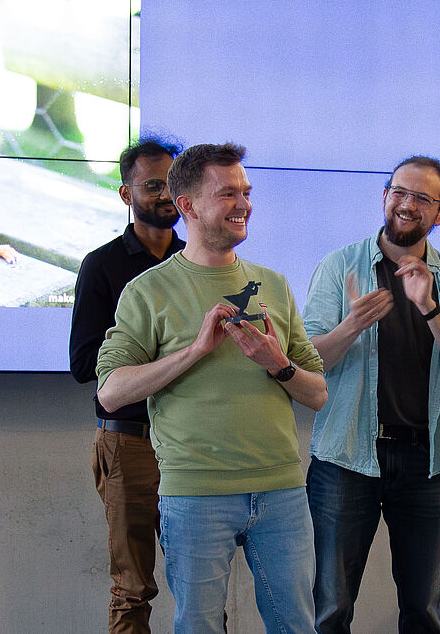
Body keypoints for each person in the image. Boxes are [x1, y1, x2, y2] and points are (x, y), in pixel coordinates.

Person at [95, 143, 328, 633]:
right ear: (188, 205)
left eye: (246, 191)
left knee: (297, 626)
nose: (244, 203)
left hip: (282, 490)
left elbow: (318, 394)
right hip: (195, 493)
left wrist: (278, 364)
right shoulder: (148, 291)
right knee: (199, 626)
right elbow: (111, 392)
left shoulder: (274, 284)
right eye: (227, 193)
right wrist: (195, 350)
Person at [303, 155, 440, 633]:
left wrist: (429, 308)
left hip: (427, 462)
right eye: (399, 192)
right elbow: (308, 362)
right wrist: (352, 324)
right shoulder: (338, 266)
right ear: (385, 197)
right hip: (346, 458)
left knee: (424, 610)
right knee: (330, 607)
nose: (407, 205)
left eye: (422, 198)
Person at [69, 137, 184, 633]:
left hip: (191, 442)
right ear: (126, 194)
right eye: (153, 186)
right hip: (129, 442)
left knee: (202, 583)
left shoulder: (198, 262)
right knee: (132, 588)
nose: (167, 195)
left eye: (173, 184)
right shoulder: (102, 265)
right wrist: (166, 357)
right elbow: (83, 365)